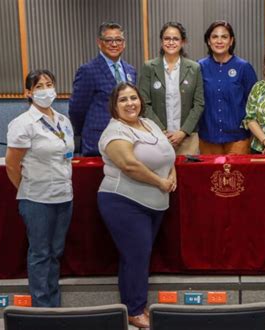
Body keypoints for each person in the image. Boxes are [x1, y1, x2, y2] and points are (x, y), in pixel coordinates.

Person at [97, 83, 176, 329]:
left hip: (154, 202)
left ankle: (135, 304)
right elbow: (130, 165)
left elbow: (167, 152)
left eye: (133, 97)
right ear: (114, 105)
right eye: (123, 100)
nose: (130, 103)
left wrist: (172, 174)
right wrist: (160, 182)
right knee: (136, 256)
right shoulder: (114, 132)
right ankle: (134, 310)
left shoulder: (148, 123)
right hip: (124, 202)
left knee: (137, 256)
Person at [5, 69, 74, 307]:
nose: (46, 90)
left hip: (64, 196)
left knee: (55, 254)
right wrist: (28, 190)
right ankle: (42, 309)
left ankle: (54, 305)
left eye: (49, 84)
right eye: (39, 86)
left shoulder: (63, 121)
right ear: (28, 92)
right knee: (40, 254)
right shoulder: (23, 123)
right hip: (37, 199)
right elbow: (12, 164)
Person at [69, 21, 137, 156]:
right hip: (98, 141)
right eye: (109, 40)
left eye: (118, 40)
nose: (114, 44)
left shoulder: (131, 70)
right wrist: (84, 132)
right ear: (99, 43)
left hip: (127, 138)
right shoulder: (87, 70)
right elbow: (77, 110)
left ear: (124, 44)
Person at [140, 21, 204, 155]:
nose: (171, 42)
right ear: (161, 41)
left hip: (187, 139)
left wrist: (183, 132)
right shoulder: (149, 67)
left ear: (183, 42)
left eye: (176, 39)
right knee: (160, 175)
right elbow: (144, 103)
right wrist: (161, 131)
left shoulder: (194, 68)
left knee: (189, 175)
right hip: (156, 137)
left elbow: (199, 104)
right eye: (167, 38)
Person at [198, 20, 258, 154]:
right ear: (208, 41)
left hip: (238, 137)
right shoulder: (199, 67)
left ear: (231, 41)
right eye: (215, 37)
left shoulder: (243, 67)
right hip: (208, 136)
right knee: (211, 175)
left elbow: (254, 104)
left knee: (237, 175)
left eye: (224, 37)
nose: (219, 41)